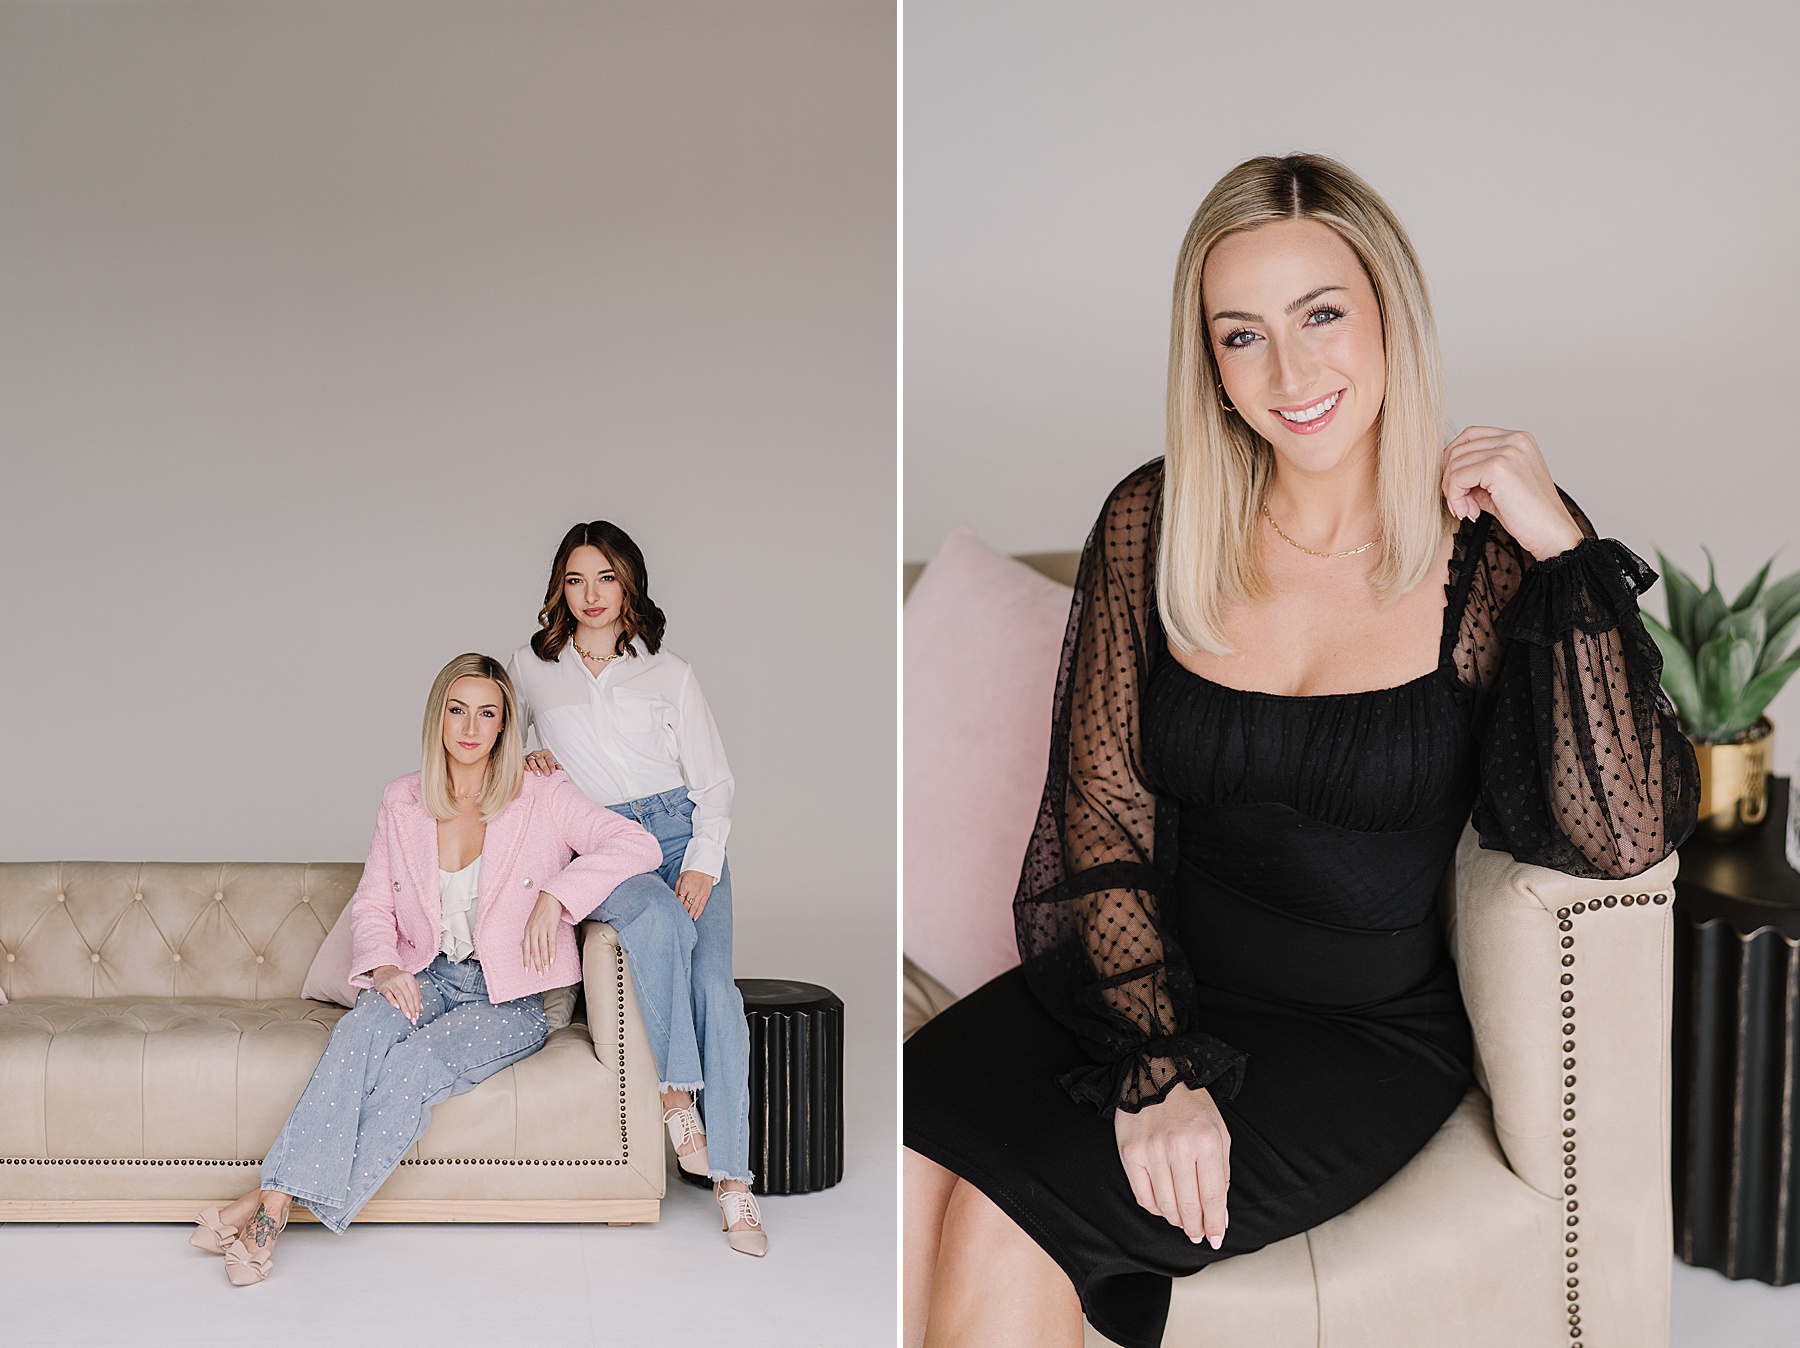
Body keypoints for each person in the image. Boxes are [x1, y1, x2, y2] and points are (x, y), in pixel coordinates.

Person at [903, 153, 1700, 1348]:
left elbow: (1625, 826)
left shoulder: (1483, 557)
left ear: (1388, 310)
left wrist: (1565, 545)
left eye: (1321, 314)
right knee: (907, 1165)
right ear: (1208, 360)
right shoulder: (1155, 519)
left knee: (1006, 1226)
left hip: (1352, 1039)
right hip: (1138, 992)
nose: (1290, 371)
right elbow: (1102, 815)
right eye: (1241, 335)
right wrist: (1162, 1065)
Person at [189, 652, 661, 1284]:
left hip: (508, 997)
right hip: (428, 974)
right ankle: (276, 1197)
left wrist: (558, 895)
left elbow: (638, 844)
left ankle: (267, 1209)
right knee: (359, 1032)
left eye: (487, 713)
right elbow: (376, 903)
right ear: (438, 717)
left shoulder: (541, 792)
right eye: (457, 709)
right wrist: (384, 968)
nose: (470, 727)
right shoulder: (402, 800)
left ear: (504, 725)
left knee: (412, 1067)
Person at [507, 521, 766, 1256]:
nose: (590, 596)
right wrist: (527, 757)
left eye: (606, 579)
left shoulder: (669, 672)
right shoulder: (532, 667)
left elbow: (714, 783)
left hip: (682, 832)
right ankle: (677, 1097)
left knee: (716, 989)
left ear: (629, 584)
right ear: (560, 586)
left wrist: (702, 863)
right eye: (575, 580)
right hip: (601, 844)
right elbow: (494, 747)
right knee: (652, 919)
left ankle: (734, 1186)